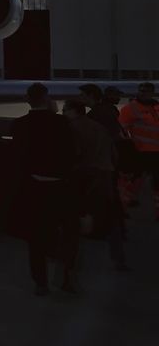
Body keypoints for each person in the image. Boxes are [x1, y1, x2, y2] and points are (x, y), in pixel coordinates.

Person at [11, 82, 79, 295]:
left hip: (33, 187)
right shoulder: (61, 123)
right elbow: (72, 153)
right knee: (68, 234)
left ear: (28, 99)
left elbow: (18, 159)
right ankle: (65, 278)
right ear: (47, 98)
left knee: (36, 237)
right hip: (60, 186)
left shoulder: (20, 125)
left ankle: (41, 282)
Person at [64, 98, 127, 270]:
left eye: (65, 109)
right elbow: (114, 152)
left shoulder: (72, 128)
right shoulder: (99, 127)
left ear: (73, 111)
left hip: (85, 175)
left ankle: (72, 263)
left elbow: (75, 153)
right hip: (105, 173)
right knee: (109, 215)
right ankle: (118, 258)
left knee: (76, 216)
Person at [118, 82, 159, 218]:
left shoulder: (157, 107)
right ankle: (123, 206)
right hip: (140, 151)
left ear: (152, 92)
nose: (142, 93)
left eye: (146, 91)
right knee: (135, 180)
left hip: (155, 152)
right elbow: (121, 129)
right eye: (141, 90)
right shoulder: (130, 109)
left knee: (155, 182)